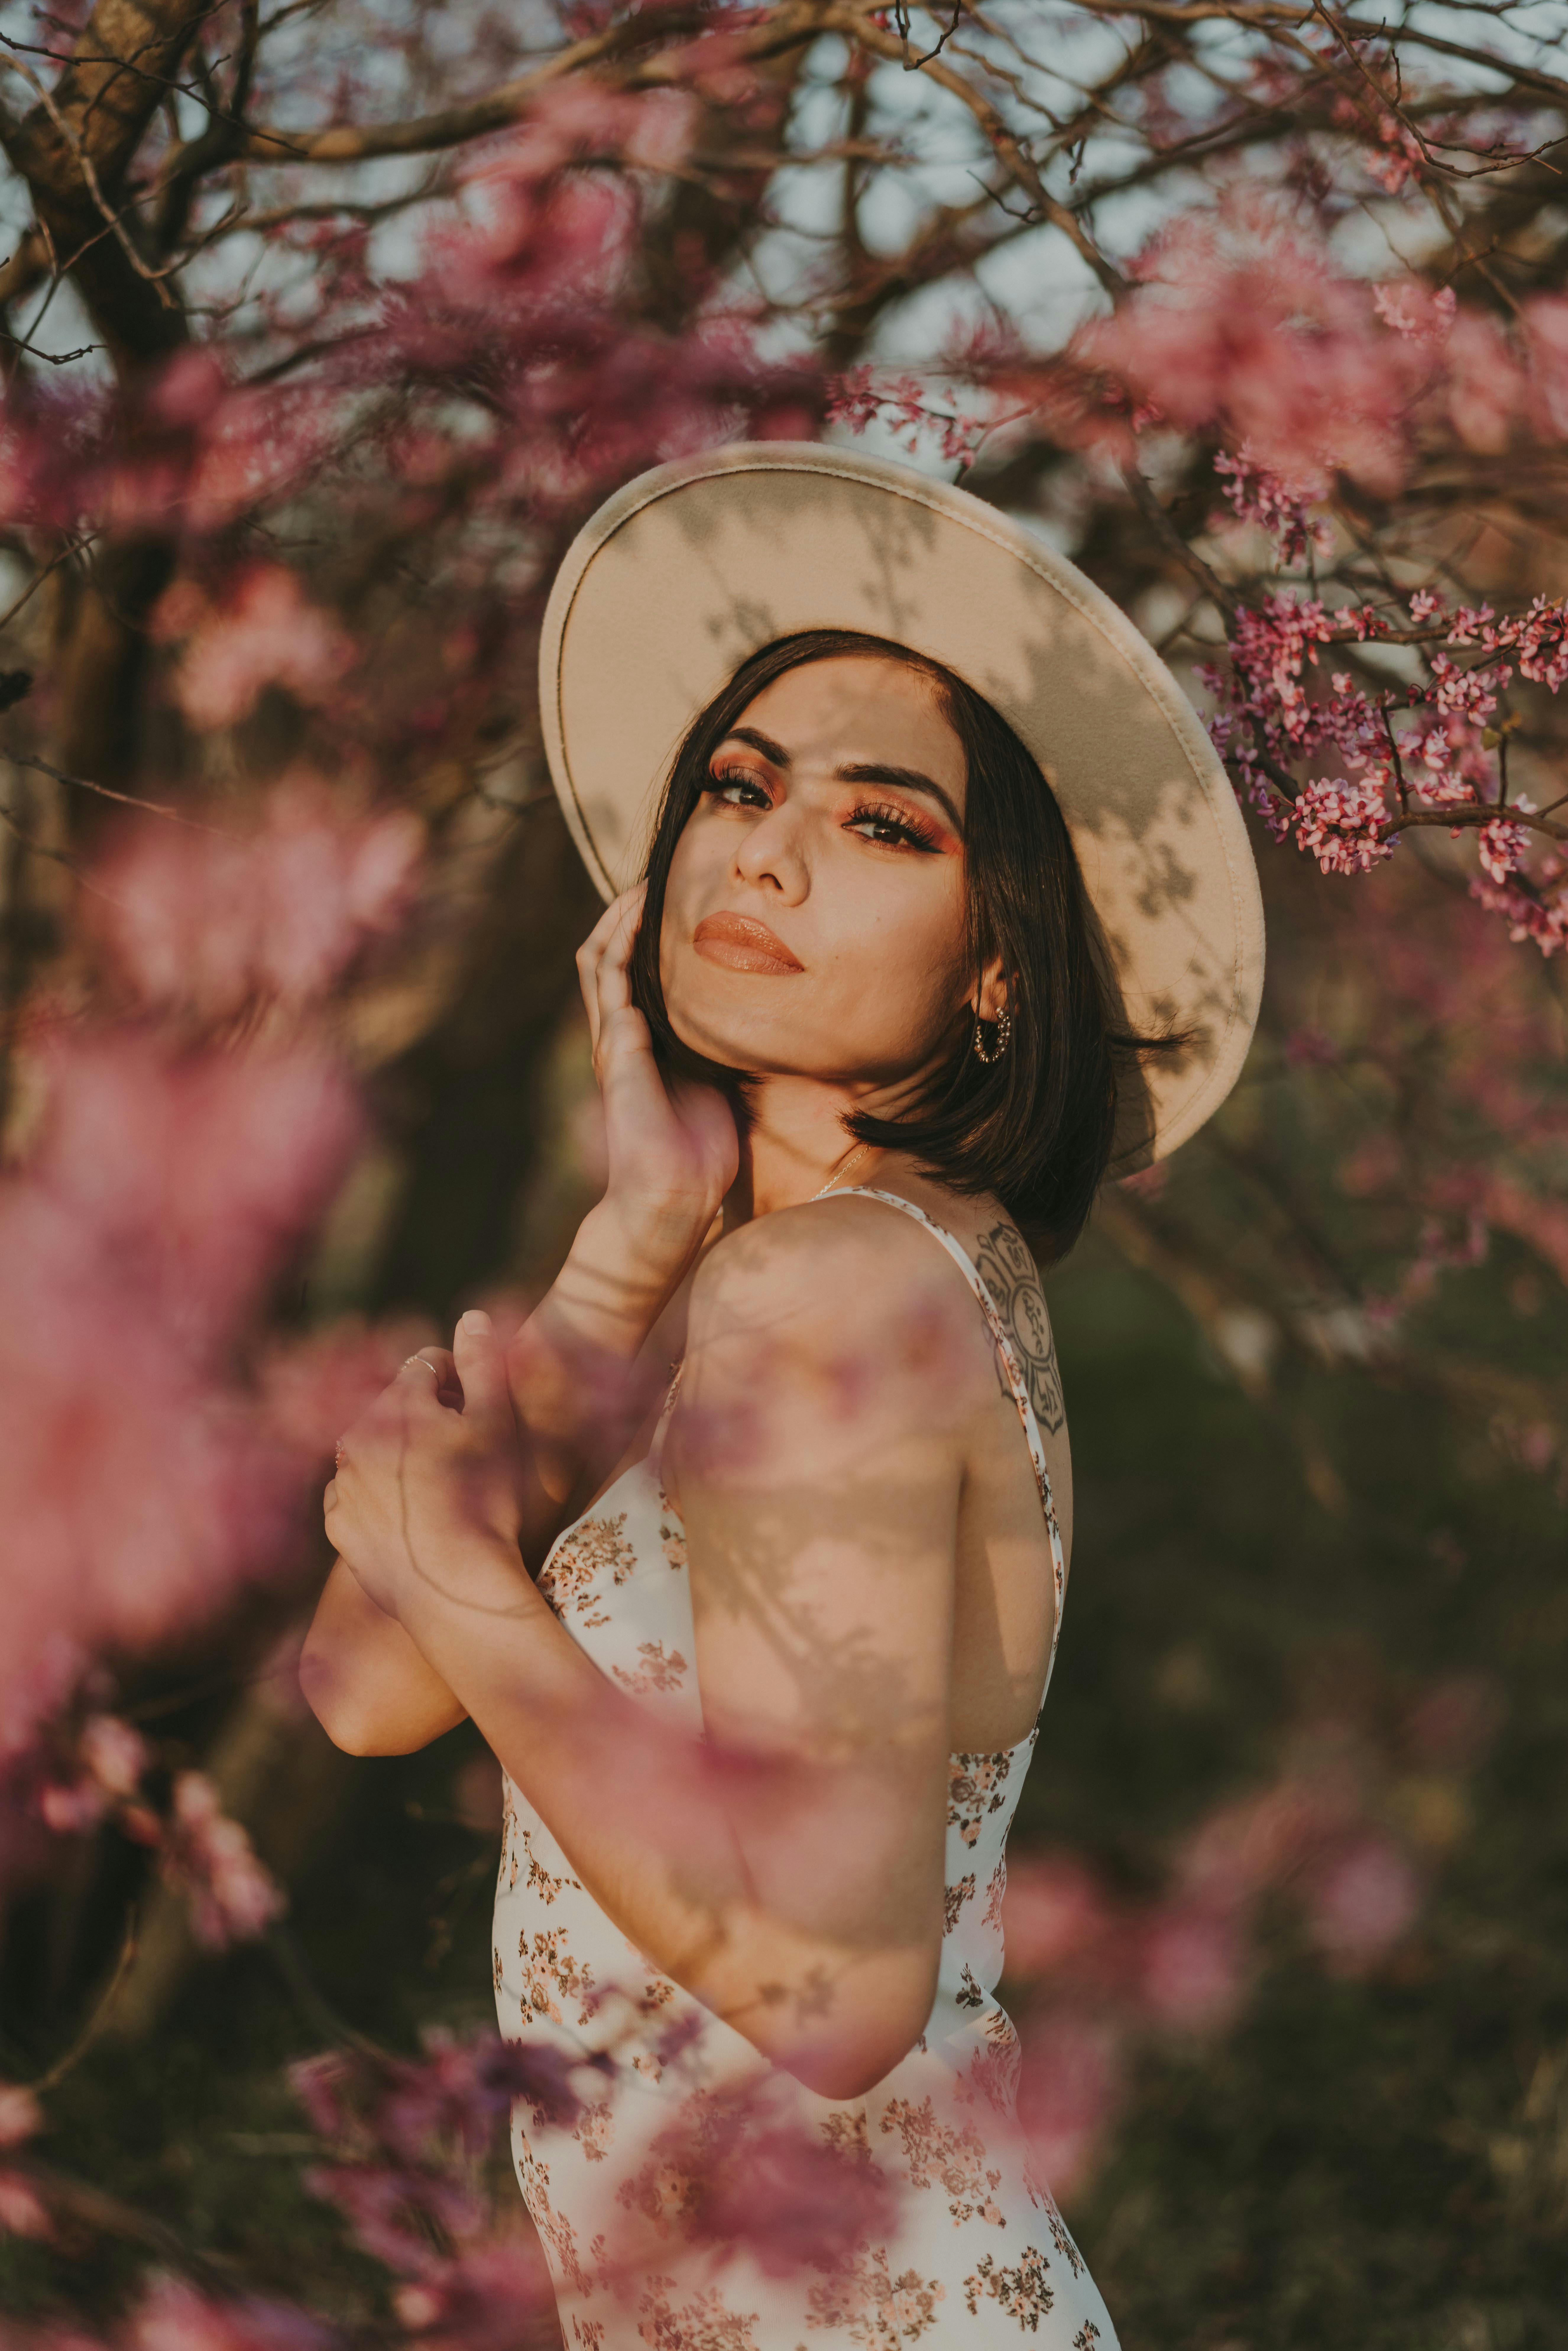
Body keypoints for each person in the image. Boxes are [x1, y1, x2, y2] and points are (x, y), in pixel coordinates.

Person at [300, 445, 1264, 2349]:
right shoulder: (813, 1264)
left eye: (886, 827)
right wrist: (621, 1250)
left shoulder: (827, 1291)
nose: (766, 851)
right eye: (737, 789)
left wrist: (480, 1586)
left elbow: (834, 2000)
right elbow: (364, 1690)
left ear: (999, 962)